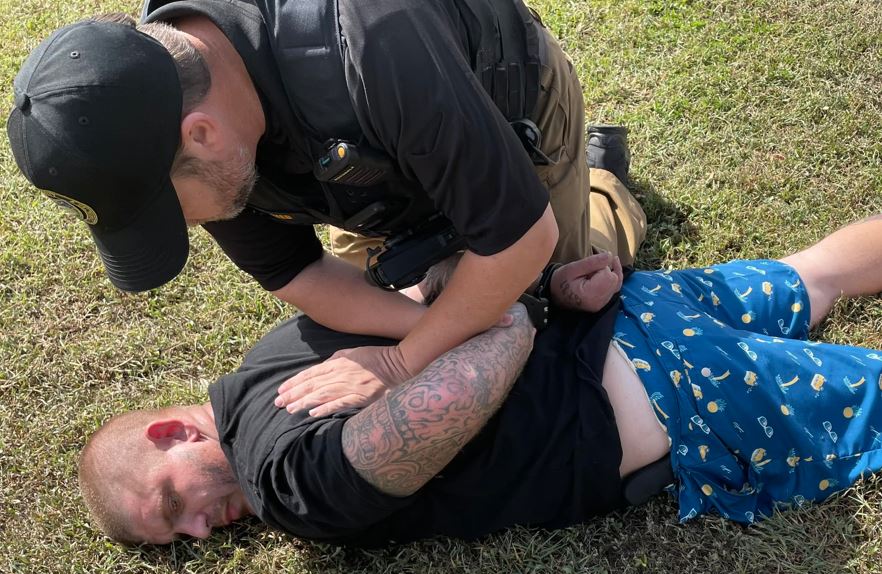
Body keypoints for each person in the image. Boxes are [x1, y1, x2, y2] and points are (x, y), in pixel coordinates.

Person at [79, 214, 882, 546]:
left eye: (173, 503)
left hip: (676, 394)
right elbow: (438, 291)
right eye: (180, 540)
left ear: (172, 434)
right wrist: (543, 291)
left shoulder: (288, 484)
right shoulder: (278, 345)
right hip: (623, 312)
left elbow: (455, 387)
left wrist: (514, 317)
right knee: (816, 273)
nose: (199, 530)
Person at [6, 2, 646, 413]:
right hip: (358, 173)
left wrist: (400, 362)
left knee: (560, 288)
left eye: (172, 210)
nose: (192, 226)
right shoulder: (175, 101)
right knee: (482, 308)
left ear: (201, 135)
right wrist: (428, 324)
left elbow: (519, 240)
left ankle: (599, 185)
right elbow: (297, 274)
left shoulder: (377, 44)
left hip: (504, 102)